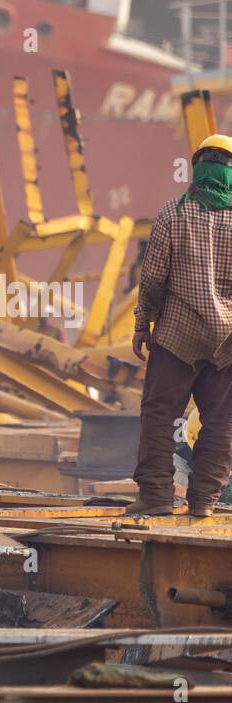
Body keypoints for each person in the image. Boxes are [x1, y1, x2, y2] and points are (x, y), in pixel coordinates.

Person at [131, 133, 232, 517]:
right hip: (227, 342)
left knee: (160, 414)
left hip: (177, 336)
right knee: (221, 421)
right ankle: (204, 501)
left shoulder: (173, 212)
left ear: (197, 169)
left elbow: (153, 278)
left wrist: (143, 324)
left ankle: (156, 498)